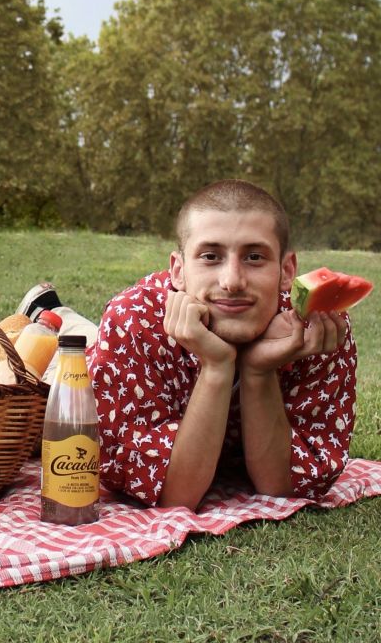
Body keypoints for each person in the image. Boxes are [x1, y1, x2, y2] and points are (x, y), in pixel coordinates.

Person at [87, 180, 356, 510]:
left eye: (254, 257)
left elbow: (282, 488)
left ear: (287, 271)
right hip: (85, 356)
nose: (232, 281)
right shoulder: (133, 320)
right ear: (178, 271)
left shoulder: (316, 325)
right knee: (65, 343)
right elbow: (175, 494)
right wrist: (217, 366)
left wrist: (258, 370)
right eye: (210, 256)